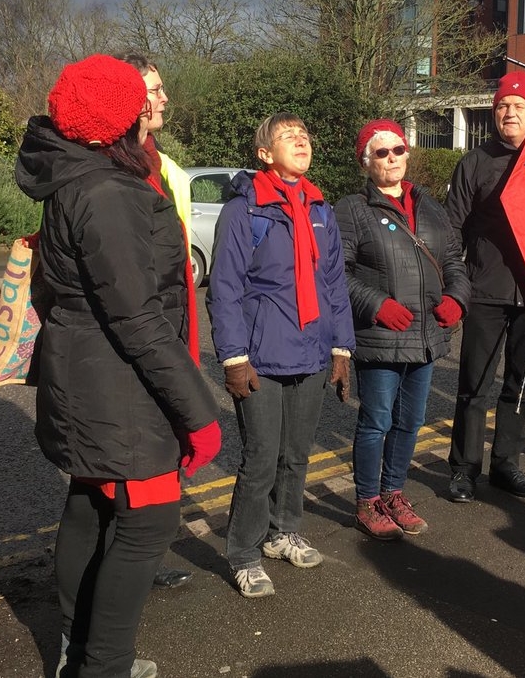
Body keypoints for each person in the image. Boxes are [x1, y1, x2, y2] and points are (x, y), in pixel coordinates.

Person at [14, 54, 221, 677]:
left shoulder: (77, 175)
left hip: (89, 379)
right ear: (119, 117)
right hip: (119, 390)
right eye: (142, 98)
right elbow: (138, 317)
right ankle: (102, 666)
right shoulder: (108, 191)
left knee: (90, 505)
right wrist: (198, 411)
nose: (154, 105)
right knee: (148, 525)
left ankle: (77, 654)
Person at [207, 112, 355, 597]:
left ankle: (283, 531)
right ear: (265, 154)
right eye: (288, 136)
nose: (301, 140)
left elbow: (334, 285)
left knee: (296, 455)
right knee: (261, 459)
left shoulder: (320, 209)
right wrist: (233, 357)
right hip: (261, 357)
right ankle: (244, 553)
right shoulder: (243, 211)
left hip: (311, 351)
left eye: (304, 134)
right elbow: (224, 288)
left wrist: (341, 347)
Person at [335, 119, 469, 539]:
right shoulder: (352, 209)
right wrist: (376, 305)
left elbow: (453, 261)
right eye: (381, 152)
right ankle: (367, 501)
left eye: (398, 149)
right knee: (376, 421)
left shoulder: (430, 206)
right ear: (366, 162)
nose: (392, 158)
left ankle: (393, 493)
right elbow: (337, 273)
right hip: (382, 336)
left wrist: (457, 298)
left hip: (425, 335)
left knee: (410, 421)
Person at [444, 70, 525, 502]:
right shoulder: (474, 162)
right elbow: (451, 228)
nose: (509, 112)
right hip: (486, 290)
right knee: (474, 386)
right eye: (502, 106)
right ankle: (464, 469)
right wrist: (455, 282)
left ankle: (507, 464)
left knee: (521, 385)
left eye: (519, 106)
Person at [115, 50, 193, 591]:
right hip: (138, 339)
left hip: (172, 324)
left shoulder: (161, 164)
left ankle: (142, 560)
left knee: (158, 454)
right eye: (155, 89)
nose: (165, 98)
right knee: (121, 469)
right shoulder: (115, 169)